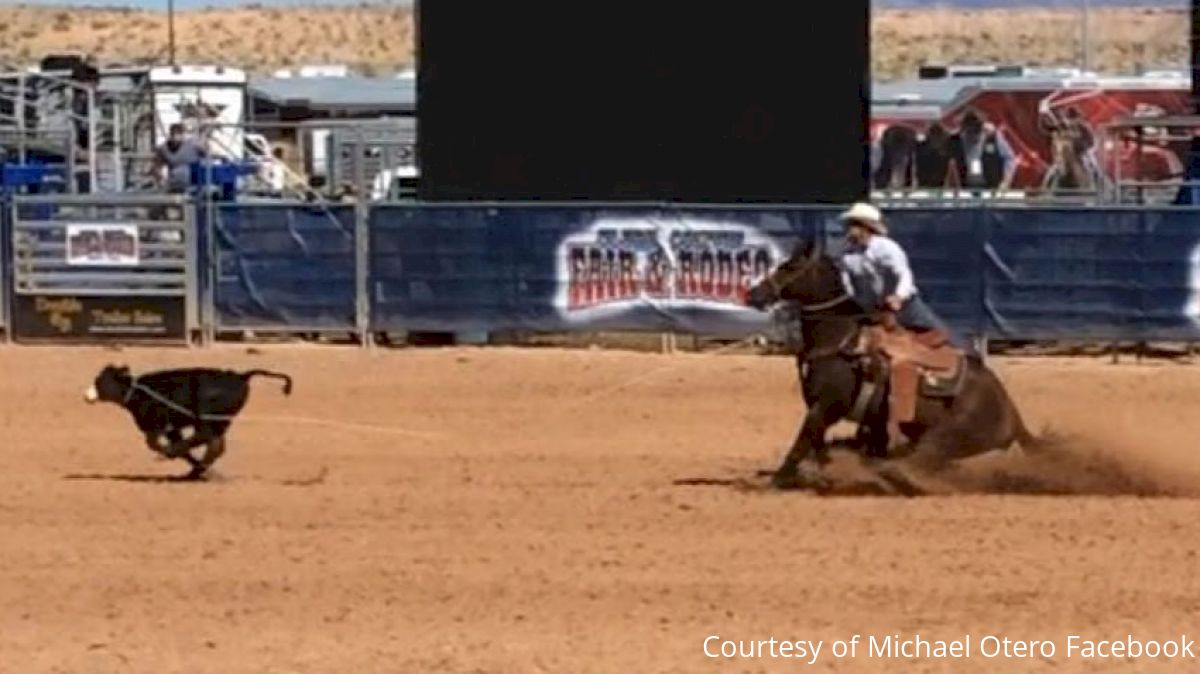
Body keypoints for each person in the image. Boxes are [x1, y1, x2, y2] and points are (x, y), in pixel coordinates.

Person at [837, 202, 951, 347]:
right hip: (871, 312)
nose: (848, 229)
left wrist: (898, 296)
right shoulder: (847, 254)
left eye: (852, 224)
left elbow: (903, 274)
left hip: (906, 308)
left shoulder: (886, 248)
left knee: (941, 335)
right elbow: (848, 286)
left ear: (865, 226)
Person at [151, 123, 207, 194]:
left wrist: (203, 144)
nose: (176, 136)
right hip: (175, 182)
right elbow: (157, 166)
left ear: (184, 134)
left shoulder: (193, 144)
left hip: (195, 179)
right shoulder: (163, 148)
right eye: (174, 133)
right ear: (170, 134)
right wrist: (160, 182)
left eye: (179, 133)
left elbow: (206, 155)